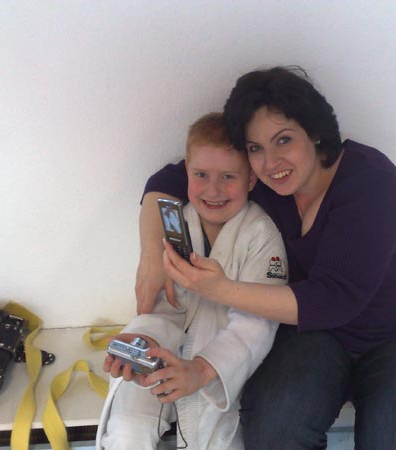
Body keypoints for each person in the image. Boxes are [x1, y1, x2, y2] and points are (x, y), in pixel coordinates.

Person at [140, 66, 396, 450]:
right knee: (275, 430)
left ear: (315, 132)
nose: (270, 162)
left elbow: (332, 299)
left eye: (284, 140)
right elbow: (168, 181)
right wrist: (151, 256)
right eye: (255, 148)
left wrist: (220, 289)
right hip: (316, 338)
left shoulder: (372, 181)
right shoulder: (265, 182)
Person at [97, 112, 288, 450]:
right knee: (127, 428)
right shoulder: (174, 225)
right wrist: (143, 342)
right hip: (163, 350)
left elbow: (256, 324)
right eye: (201, 175)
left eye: (228, 177)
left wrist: (202, 368)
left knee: (211, 436)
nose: (213, 190)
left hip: (219, 363)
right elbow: (163, 309)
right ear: (186, 171)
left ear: (250, 180)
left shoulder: (261, 235)